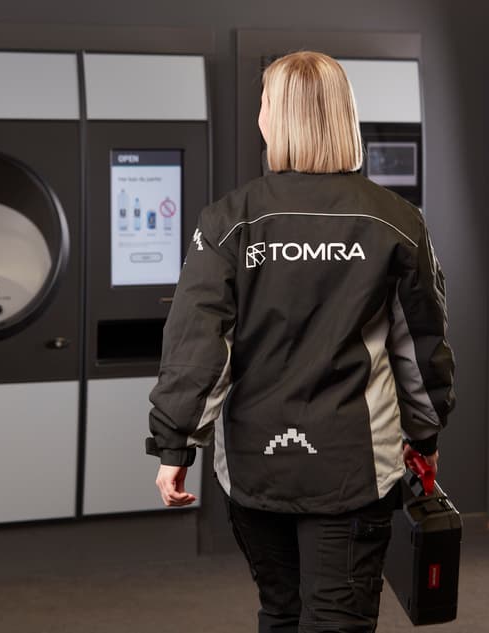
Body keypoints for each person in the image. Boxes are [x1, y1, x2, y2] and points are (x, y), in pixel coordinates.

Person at [145, 51, 455, 633]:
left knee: (281, 613)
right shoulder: (394, 221)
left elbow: (197, 344)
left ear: (275, 119)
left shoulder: (228, 222)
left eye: (263, 103)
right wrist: (425, 434)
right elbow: (420, 349)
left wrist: (175, 445)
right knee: (338, 620)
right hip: (355, 469)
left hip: (256, 467)